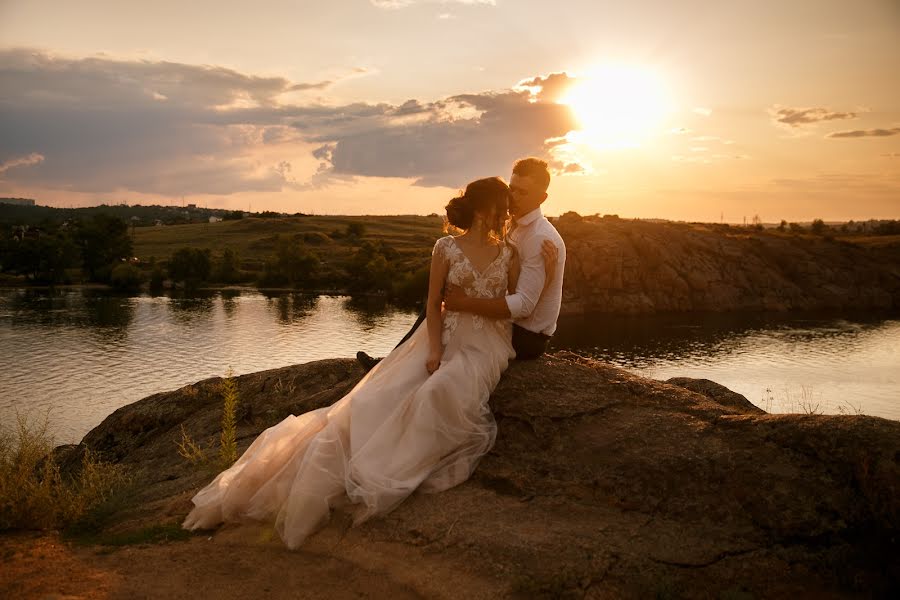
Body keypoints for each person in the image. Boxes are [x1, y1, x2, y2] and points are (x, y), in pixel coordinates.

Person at [183, 177, 519, 549]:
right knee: (370, 401)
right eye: (502, 204)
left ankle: (393, 469)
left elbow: (512, 304)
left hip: (486, 341)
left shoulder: (508, 252)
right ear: (484, 207)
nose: (505, 213)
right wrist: (435, 350)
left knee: (440, 390)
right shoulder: (445, 247)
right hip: (442, 336)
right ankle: (341, 470)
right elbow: (432, 306)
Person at [357, 157, 564, 369]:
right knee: (438, 303)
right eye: (512, 189)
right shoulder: (513, 225)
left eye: (523, 192)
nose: (513, 197)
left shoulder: (540, 238)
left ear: (542, 198)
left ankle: (391, 364)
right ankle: (391, 362)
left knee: (448, 308)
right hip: (513, 322)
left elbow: (524, 306)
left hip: (526, 336)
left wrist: (464, 302)